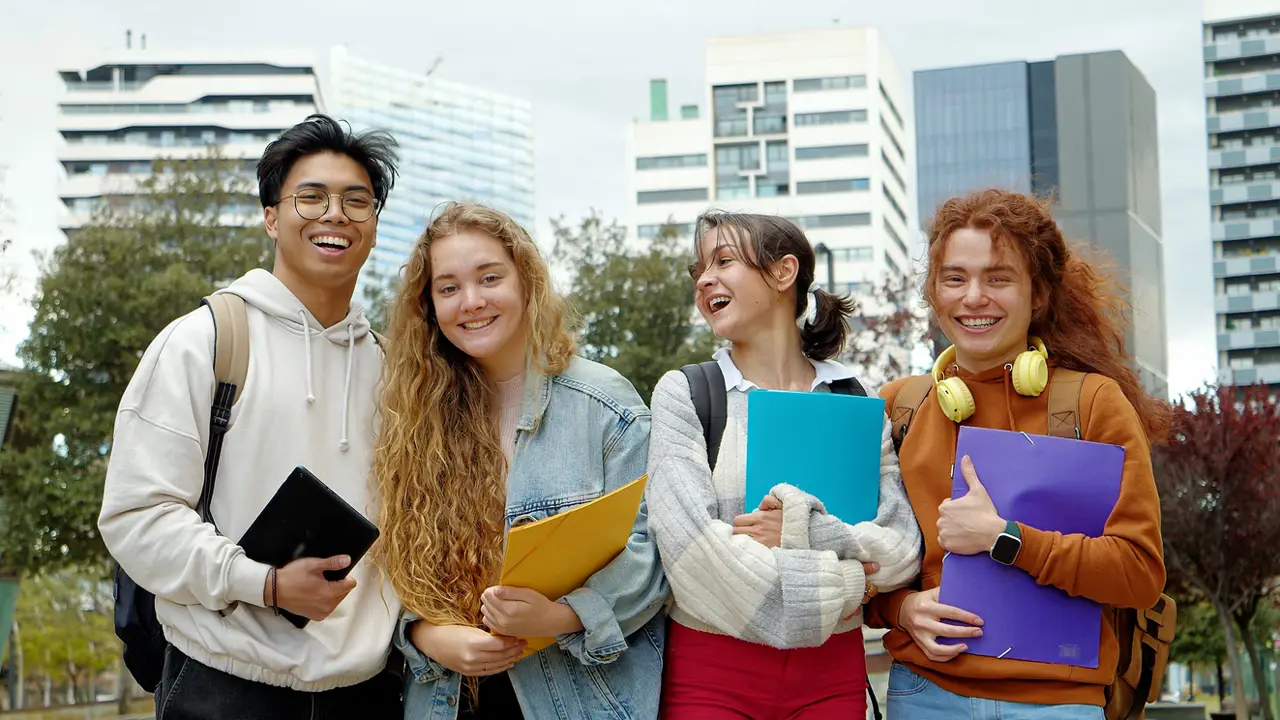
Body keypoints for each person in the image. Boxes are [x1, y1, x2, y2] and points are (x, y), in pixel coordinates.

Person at [98, 114, 404, 719]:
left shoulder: (395, 367)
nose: (334, 214)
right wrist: (263, 583)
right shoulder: (205, 341)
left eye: (356, 201)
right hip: (225, 684)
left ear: (373, 224)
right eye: (310, 197)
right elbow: (137, 516)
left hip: (369, 691)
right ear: (271, 216)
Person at [867, 189, 1169, 719]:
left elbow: (1139, 573)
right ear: (933, 293)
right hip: (924, 698)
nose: (974, 297)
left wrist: (1006, 539)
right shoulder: (897, 408)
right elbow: (858, 562)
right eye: (955, 278)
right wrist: (901, 608)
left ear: (1037, 296)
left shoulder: (1092, 403)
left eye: (999, 278)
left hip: (1058, 705)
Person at [375, 202, 669, 720]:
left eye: (489, 278)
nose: (471, 301)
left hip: (578, 697)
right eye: (448, 288)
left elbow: (655, 553)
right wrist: (426, 634)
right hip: (447, 701)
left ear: (526, 283)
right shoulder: (415, 420)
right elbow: (395, 569)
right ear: (429, 307)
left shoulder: (604, 403)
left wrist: (561, 615)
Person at [645, 211, 923, 719]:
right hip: (711, 674)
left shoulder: (855, 399)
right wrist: (856, 582)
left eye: (723, 261)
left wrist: (800, 530)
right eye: (699, 271)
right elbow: (691, 557)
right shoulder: (686, 394)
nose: (704, 280)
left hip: (832, 676)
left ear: (783, 272)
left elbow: (902, 546)